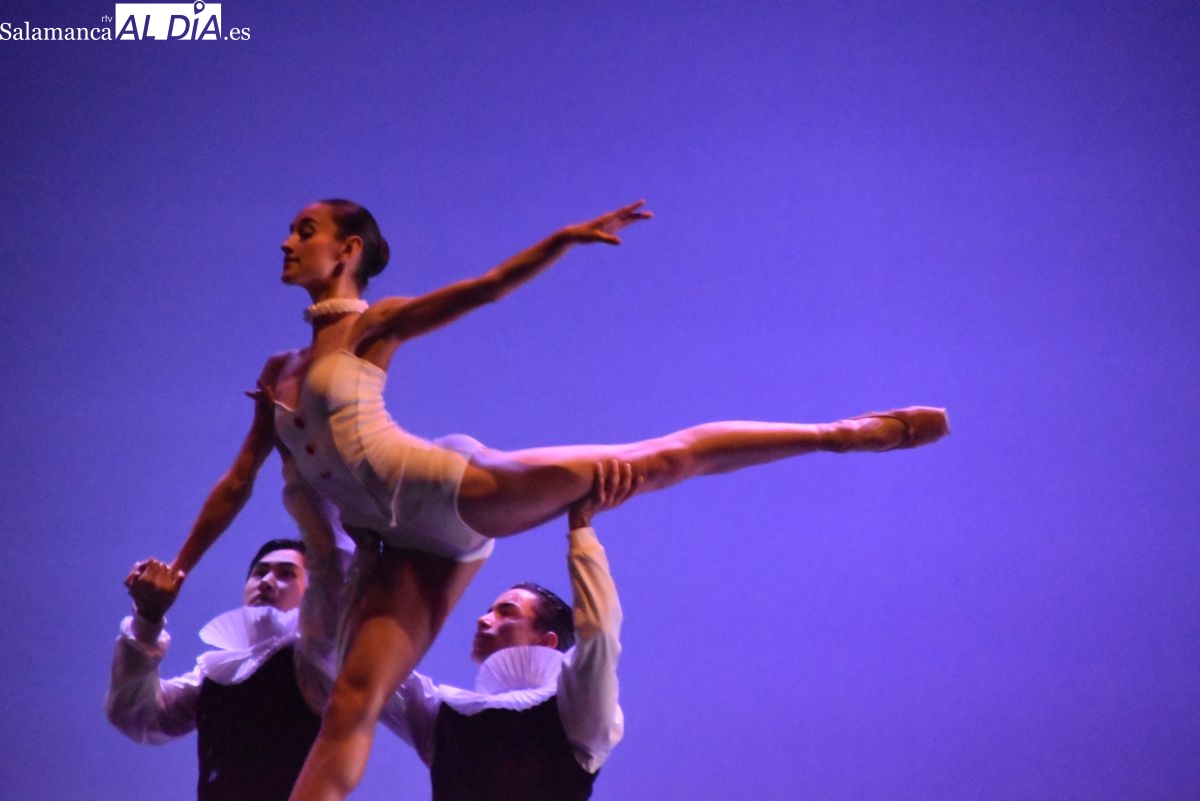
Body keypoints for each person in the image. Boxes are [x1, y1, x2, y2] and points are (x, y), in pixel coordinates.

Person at [162, 198, 948, 800]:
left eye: (305, 230)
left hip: (448, 491)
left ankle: (839, 432)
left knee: (647, 461)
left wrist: (562, 241)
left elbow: (484, 290)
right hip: (397, 549)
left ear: (348, 249)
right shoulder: (278, 372)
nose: (287, 241)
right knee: (349, 705)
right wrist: (179, 568)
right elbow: (236, 482)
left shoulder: (377, 323)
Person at [382, 460, 637, 801]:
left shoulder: (577, 714)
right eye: (489, 610)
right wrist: (366, 553)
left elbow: (600, 635)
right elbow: (367, 667)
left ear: (545, 641)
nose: (483, 620)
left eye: (507, 612)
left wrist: (581, 529)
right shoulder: (444, 714)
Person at [106, 522, 350, 800]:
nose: (266, 581)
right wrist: (147, 618)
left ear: (312, 592)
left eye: (286, 574)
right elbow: (137, 714)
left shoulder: (322, 659)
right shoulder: (218, 673)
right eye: (259, 573)